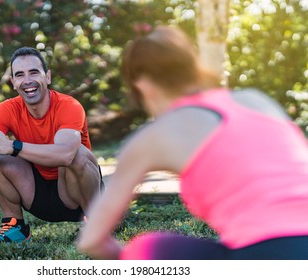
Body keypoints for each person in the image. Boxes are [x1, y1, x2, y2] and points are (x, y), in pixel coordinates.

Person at [77, 25, 308, 260]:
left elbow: (92, 240)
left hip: (273, 254)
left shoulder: (154, 136)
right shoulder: (257, 100)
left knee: (147, 248)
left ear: (142, 85)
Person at [0, 47, 103, 246]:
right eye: (20, 75)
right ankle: (16, 228)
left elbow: (66, 155)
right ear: (13, 83)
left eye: (34, 72)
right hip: (36, 195)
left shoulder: (69, 106)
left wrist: (13, 146)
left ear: (47, 77)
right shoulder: (6, 109)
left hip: (75, 193)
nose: (27, 80)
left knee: (78, 154)